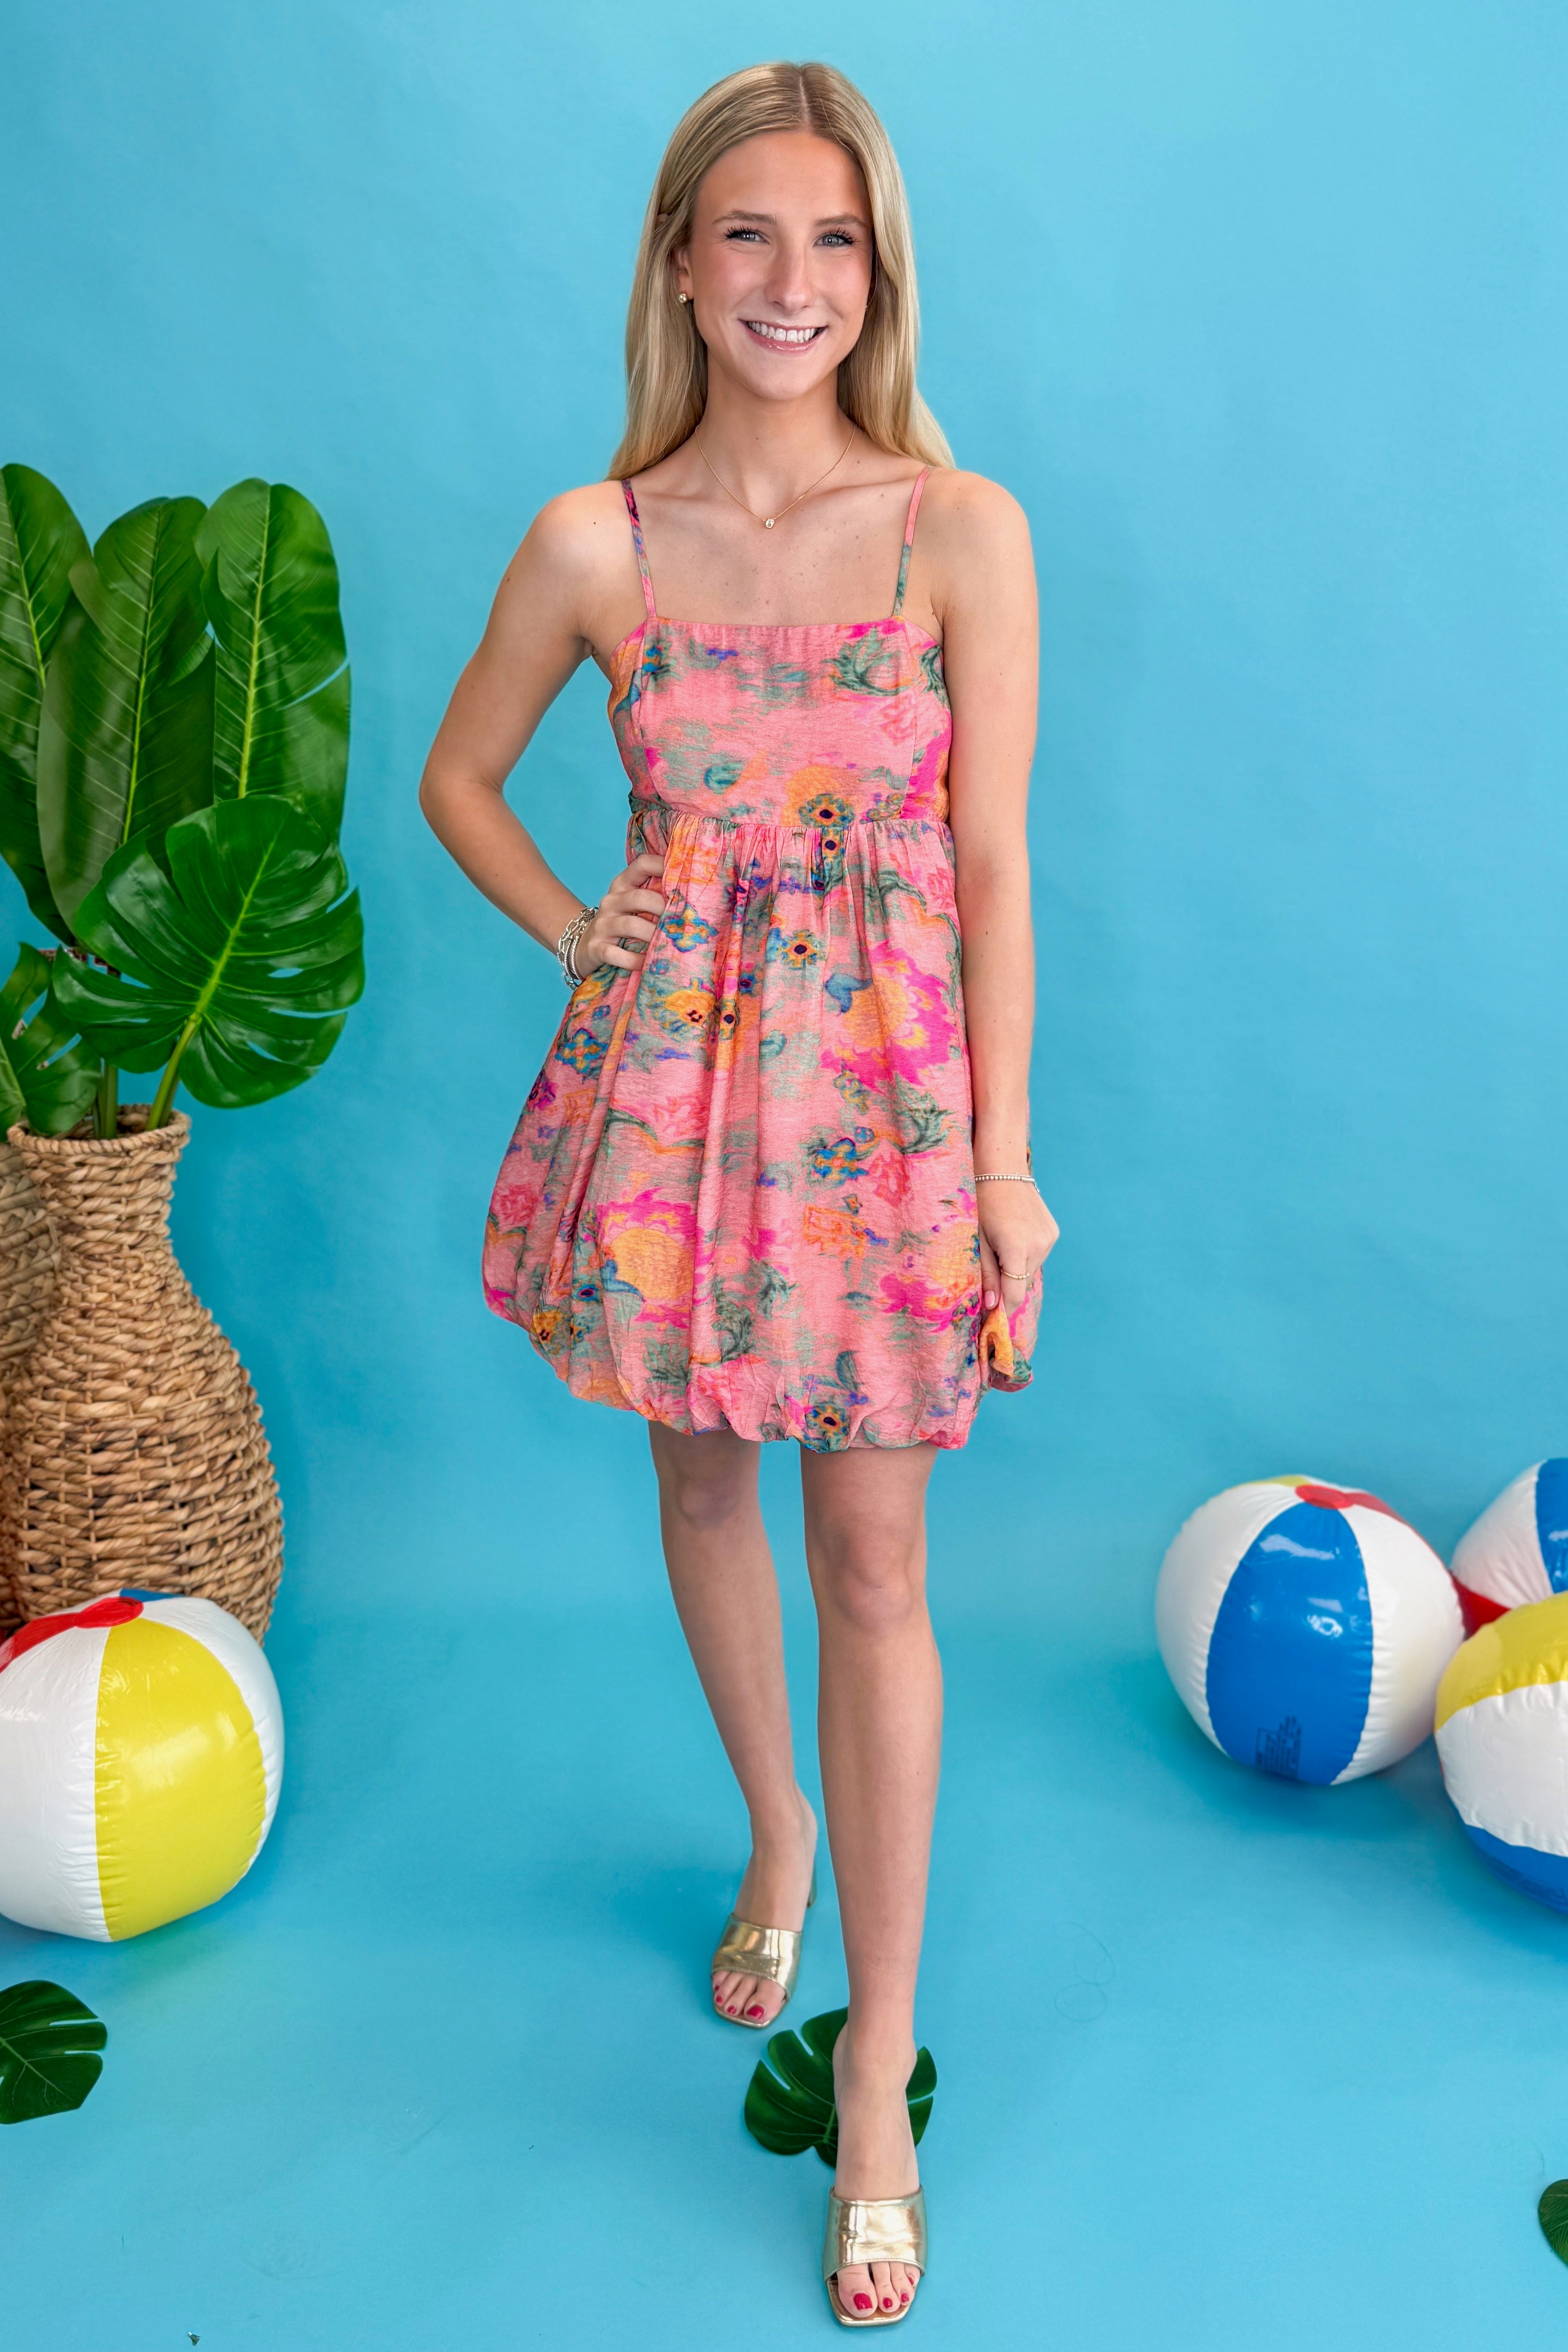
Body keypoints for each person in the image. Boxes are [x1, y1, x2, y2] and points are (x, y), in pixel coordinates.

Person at [420, 59, 1058, 2328]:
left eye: (834, 241)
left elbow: (987, 870)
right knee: (705, 1502)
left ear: (875, 275)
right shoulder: (594, 541)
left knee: (872, 1554)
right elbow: (461, 778)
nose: (791, 283)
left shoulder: (955, 528)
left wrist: (1004, 1171)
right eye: (750, 235)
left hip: (887, 1121)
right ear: (681, 263)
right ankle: (773, 1828)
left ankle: (872, 2072)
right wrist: (572, 921)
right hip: (674, 1127)